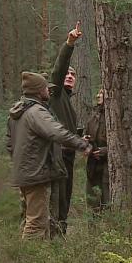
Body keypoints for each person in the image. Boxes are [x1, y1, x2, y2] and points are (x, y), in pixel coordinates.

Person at [6, 72, 91, 239]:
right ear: (39, 90)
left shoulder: (18, 112)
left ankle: (29, 259)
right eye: (45, 87)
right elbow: (56, 132)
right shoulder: (36, 112)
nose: (48, 90)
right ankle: (30, 262)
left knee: (31, 219)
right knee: (36, 224)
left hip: (25, 174)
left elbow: (10, 144)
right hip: (36, 175)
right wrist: (81, 144)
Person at [48, 21, 83, 235]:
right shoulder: (55, 94)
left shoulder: (67, 102)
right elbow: (58, 71)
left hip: (68, 160)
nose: (70, 76)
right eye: (68, 74)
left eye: (74, 75)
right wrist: (69, 43)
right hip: (57, 159)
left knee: (65, 206)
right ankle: (51, 249)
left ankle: (60, 245)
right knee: (56, 205)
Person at [85, 89, 109, 214]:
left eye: (101, 93)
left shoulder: (113, 115)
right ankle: (93, 232)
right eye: (98, 92)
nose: (97, 95)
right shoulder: (93, 115)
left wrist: (106, 151)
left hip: (108, 168)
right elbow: (88, 135)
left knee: (108, 205)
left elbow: (123, 144)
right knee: (93, 205)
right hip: (92, 167)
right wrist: (86, 144)